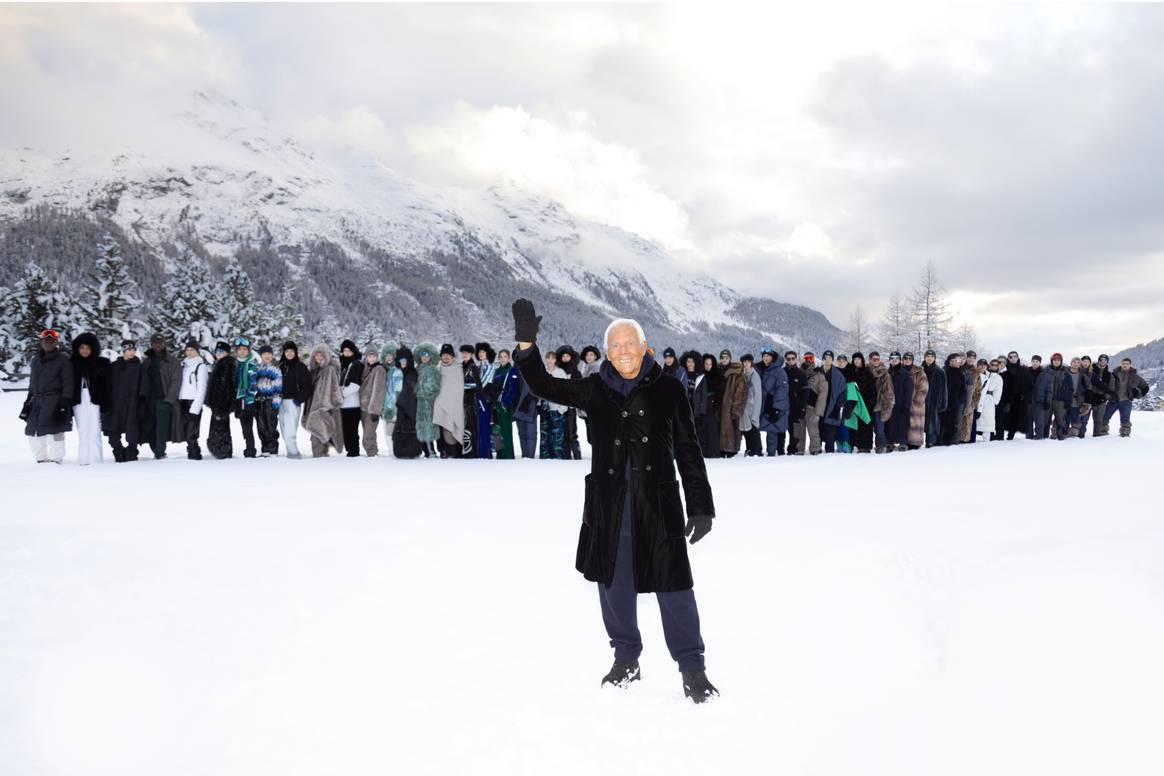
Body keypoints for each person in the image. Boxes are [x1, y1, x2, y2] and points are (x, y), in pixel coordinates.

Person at [511, 299, 719, 703]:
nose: (624, 351)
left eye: (630, 344)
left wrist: (700, 505)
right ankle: (626, 659)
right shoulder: (595, 389)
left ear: (644, 347)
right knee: (614, 586)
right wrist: (526, 343)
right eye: (616, 346)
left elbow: (688, 450)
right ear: (607, 352)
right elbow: (543, 386)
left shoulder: (669, 389)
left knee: (674, 587)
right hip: (610, 504)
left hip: (657, 504)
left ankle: (693, 668)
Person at [22, 329, 75, 463]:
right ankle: (41, 459)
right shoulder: (35, 360)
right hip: (37, 401)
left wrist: (64, 403)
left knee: (55, 431)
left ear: (56, 343)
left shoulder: (63, 361)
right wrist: (28, 400)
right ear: (41, 342)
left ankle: (56, 459)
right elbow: (32, 383)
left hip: (55, 400)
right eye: (46, 341)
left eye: (51, 341)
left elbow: (68, 383)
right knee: (33, 431)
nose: (48, 343)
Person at [68, 332, 111, 466]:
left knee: (95, 430)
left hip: (95, 399)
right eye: (82, 348)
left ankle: (96, 459)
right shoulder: (71, 363)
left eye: (88, 348)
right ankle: (84, 459)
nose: (85, 351)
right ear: (77, 348)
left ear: (93, 348)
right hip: (78, 400)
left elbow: (108, 385)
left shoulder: (102, 363)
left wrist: (106, 402)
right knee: (82, 430)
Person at [141, 333, 183, 459]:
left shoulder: (172, 361)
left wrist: (169, 400)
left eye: (160, 343)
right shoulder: (147, 361)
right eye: (155, 343)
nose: (158, 345)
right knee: (150, 426)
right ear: (151, 344)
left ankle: (159, 452)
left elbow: (176, 381)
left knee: (161, 428)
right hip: (149, 400)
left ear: (164, 344)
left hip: (163, 399)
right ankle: (155, 449)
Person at [104, 339, 145, 462]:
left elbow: (144, 386)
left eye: (133, 349)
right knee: (113, 432)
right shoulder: (115, 366)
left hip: (132, 403)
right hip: (115, 404)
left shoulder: (139, 367)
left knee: (132, 430)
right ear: (123, 351)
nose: (131, 352)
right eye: (129, 350)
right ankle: (118, 451)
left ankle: (132, 452)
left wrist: (141, 402)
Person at [304, 342, 344, 457]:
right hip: (314, 405)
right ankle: (322, 454)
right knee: (319, 431)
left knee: (318, 431)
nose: (319, 357)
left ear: (326, 356)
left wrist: (331, 405)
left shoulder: (330, 369)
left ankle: (320, 457)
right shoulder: (314, 370)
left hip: (325, 407)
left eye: (321, 355)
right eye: (316, 355)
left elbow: (335, 388)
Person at [278, 341, 311, 458]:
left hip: (293, 402)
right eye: (287, 351)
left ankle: (294, 454)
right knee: (283, 430)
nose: (289, 353)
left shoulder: (300, 367)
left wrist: (298, 400)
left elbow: (308, 387)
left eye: (292, 351)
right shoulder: (280, 366)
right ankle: (290, 452)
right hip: (281, 402)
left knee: (290, 431)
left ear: (295, 352)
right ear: (284, 353)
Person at [1103, 357, 1150, 437]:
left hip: (1126, 401)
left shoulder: (1135, 376)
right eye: (1123, 364)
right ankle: (1102, 431)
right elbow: (1105, 385)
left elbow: (1145, 387)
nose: (1125, 365)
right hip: (1113, 400)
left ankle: (1124, 433)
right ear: (1121, 364)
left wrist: (1139, 394)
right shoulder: (1114, 374)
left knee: (1125, 419)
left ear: (1130, 365)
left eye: (1127, 364)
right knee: (1105, 416)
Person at [391, 345, 424, 459]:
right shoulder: (397, 373)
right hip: (401, 407)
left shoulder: (412, 373)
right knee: (400, 429)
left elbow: (413, 390)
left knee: (411, 429)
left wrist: (403, 401)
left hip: (410, 407)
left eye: (404, 360)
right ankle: (400, 451)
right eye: (400, 360)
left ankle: (412, 451)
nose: (403, 363)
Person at [438, 345, 470, 458]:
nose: (446, 357)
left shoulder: (459, 368)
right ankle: (444, 450)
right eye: (444, 355)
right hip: (441, 404)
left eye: (448, 355)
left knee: (456, 427)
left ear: (452, 356)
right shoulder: (438, 369)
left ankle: (457, 451)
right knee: (442, 427)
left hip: (456, 404)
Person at [205, 341, 236, 459]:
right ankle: (218, 450)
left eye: (222, 351)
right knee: (217, 428)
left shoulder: (227, 365)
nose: (219, 353)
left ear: (227, 353)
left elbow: (228, 388)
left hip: (222, 405)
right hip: (217, 405)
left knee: (221, 429)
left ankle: (223, 451)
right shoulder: (219, 364)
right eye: (217, 351)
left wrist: (223, 408)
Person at [178, 339, 208, 460]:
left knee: (192, 432)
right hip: (183, 402)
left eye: (192, 350)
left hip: (193, 403)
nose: (189, 352)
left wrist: (196, 406)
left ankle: (195, 454)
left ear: (197, 351)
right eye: (187, 350)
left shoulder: (201, 367)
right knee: (185, 431)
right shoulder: (184, 366)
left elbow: (202, 388)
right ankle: (190, 453)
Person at [537, 349, 569, 459]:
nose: (550, 360)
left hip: (557, 408)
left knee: (556, 434)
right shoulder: (542, 372)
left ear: (555, 360)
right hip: (544, 408)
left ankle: (557, 456)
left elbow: (566, 391)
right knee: (544, 433)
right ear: (545, 359)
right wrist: (539, 404)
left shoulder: (560, 373)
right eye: (548, 358)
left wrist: (563, 408)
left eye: (552, 358)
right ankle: (545, 456)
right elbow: (537, 390)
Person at [232, 337, 260, 458]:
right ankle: (249, 448)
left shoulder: (252, 365)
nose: (242, 352)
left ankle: (250, 450)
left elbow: (253, 384)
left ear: (248, 350)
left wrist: (246, 395)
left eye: (244, 349)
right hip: (238, 401)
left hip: (249, 401)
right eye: (240, 349)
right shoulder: (235, 365)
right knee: (244, 427)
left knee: (249, 427)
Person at [491, 348, 521, 460]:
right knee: (496, 430)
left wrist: (505, 403)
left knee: (506, 431)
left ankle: (507, 455)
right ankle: (499, 453)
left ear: (508, 358)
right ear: (498, 358)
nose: (503, 359)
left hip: (504, 406)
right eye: (501, 357)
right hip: (495, 405)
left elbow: (513, 390)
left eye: (505, 356)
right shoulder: (496, 371)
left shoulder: (511, 370)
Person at [758, 350, 789, 456]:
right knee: (769, 430)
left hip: (773, 406)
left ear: (773, 358)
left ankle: (771, 456)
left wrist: (777, 408)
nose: (766, 358)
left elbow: (782, 390)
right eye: (764, 356)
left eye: (768, 356)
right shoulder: (764, 369)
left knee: (772, 431)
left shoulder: (779, 372)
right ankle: (769, 453)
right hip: (765, 405)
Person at [254, 345, 282, 456]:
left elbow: (279, 389)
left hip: (270, 401)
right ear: (261, 356)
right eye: (264, 354)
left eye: (269, 354)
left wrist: (275, 405)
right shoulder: (258, 369)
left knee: (270, 425)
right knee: (261, 426)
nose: (267, 356)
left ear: (272, 355)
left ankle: (273, 449)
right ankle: (265, 449)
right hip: (259, 401)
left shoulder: (275, 370)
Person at [718, 350, 747, 458]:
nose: (724, 360)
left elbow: (740, 393)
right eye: (722, 357)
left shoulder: (737, 373)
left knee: (731, 429)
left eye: (726, 358)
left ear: (730, 359)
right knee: (720, 428)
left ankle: (731, 449)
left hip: (730, 406)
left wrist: (736, 409)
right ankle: (721, 448)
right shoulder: (717, 371)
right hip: (719, 406)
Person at [693, 354, 723, 458]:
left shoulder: (718, 376)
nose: (708, 366)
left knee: (712, 430)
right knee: (702, 430)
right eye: (706, 364)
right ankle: (702, 452)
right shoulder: (700, 376)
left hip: (713, 405)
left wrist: (716, 404)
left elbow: (720, 393)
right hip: (702, 405)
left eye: (710, 364)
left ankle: (713, 453)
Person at [415, 343, 442, 457]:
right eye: (423, 355)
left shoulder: (434, 370)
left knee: (430, 426)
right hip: (418, 403)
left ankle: (431, 451)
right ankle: (425, 449)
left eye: (427, 355)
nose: (425, 358)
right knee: (420, 426)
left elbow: (435, 386)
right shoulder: (416, 369)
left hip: (429, 402)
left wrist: (422, 390)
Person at [817, 350, 847, 453]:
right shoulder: (817, 373)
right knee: (818, 430)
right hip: (819, 406)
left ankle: (829, 452)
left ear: (832, 360)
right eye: (825, 358)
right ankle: (817, 450)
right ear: (822, 359)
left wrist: (838, 406)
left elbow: (843, 392)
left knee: (830, 432)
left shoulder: (838, 375)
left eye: (830, 358)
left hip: (832, 406)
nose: (827, 360)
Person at [556, 345, 583, 459]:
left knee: (572, 432)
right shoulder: (558, 371)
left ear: (572, 357)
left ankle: (577, 456)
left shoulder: (576, 372)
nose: (565, 358)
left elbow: (580, 389)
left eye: (567, 356)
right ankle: (566, 456)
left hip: (571, 405)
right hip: (560, 405)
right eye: (563, 356)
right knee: (563, 432)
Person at [359, 346, 387, 456]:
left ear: (377, 357)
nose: (371, 358)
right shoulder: (365, 368)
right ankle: (370, 452)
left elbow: (379, 391)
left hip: (372, 408)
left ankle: (372, 454)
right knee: (366, 432)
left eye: (374, 356)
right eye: (369, 356)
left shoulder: (379, 369)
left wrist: (375, 410)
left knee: (369, 433)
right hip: (363, 407)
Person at [338, 340, 364, 457]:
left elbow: (355, 385)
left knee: (352, 430)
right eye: (344, 351)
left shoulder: (356, 364)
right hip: (343, 405)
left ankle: (354, 452)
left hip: (353, 404)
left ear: (353, 351)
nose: (346, 353)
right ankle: (350, 451)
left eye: (349, 350)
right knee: (345, 430)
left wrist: (340, 394)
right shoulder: (343, 365)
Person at [511, 355, 540, 459]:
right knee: (522, 433)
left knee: (530, 433)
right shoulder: (514, 370)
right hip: (517, 406)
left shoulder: (534, 369)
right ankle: (525, 456)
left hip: (530, 405)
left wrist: (530, 399)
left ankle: (530, 457)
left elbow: (539, 387)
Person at [867, 352, 895, 453]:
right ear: (870, 360)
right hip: (868, 404)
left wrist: (888, 405)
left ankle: (881, 446)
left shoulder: (884, 373)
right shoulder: (866, 371)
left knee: (879, 428)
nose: (876, 361)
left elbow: (889, 391)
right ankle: (866, 446)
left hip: (880, 405)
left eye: (877, 359)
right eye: (874, 359)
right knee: (868, 428)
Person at [379, 341, 403, 453]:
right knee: (385, 430)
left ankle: (395, 451)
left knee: (390, 431)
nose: (389, 358)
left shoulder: (398, 371)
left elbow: (398, 390)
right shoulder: (383, 370)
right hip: (384, 405)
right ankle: (391, 450)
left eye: (391, 355)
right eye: (387, 355)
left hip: (393, 406)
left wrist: (393, 406)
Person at [1002, 351, 1032, 439]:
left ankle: (1011, 435)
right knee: (1003, 416)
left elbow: (1029, 384)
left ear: (1018, 358)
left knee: (1015, 416)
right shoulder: (1004, 368)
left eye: (1015, 356)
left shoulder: (1024, 369)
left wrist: (1025, 394)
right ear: (1008, 358)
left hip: (1018, 397)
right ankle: (999, 434)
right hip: (1005, 396)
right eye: (1010, 357)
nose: (1013, 358)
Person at [783, 350, 808, 455]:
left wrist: (803, 408)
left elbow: (805, 393)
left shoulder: (801, 374)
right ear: (785, 360)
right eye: (788, 359)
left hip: (795, 407)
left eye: (793, 358)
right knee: (782, 429)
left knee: (794, 430)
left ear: (796, 359)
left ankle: (792, 449)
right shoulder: (782, 372)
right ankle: (780, 449)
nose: (791, 360)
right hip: (783, 406)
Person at [901, 353, 929, 449]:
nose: (907, 360)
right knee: (903, 423)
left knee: (915, 423)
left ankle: (915, 443)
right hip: (902, 403)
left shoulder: (919, 372)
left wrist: (916, 401)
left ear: (912, 360)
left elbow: (923, 389)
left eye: (909, 358)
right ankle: (903, 441)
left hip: (916, 404)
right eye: (905, 358)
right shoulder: (900, 371)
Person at [475, 342, 497, 459]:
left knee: (485, 426)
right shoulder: (479, 367)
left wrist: (469, 386)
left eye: (483, 352)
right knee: (479, 426)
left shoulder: (490, 367)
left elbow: (482, 383)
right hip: (478, 398)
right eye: (479, 352)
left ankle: (486, 453)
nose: (481, 354)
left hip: (485, 398)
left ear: (488, 353)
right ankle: (481, 452)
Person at [459, 344, 482, 457]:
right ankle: (465, 451)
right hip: (461, 401)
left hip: (471, 401)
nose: (464, 355)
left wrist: (462, 386)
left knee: (471, 426)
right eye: (463, 353)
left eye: (467, 353)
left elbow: (478, 386)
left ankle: (472, 452)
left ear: (471, 354)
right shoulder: (460, 366)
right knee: (463, 426)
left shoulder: (473, 367)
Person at [738, 354, 763, 456]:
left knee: (754, 430)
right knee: (746, 430)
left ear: (751, 363)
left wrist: (756, 413)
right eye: (744, 362)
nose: (746, 364)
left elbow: (758, 395)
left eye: (748, 362)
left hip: (753, 407)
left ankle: (757, 450)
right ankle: (749, 449)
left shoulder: (755, 375)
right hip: (745, 408)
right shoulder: (743, 374)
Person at [921, 350, 947, 448]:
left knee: (932, 422)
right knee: (919, 422)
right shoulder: (920, 370)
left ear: (934, 358)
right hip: (921, 400)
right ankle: (917, 441)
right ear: (924, 357)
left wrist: (943, 403)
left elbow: (944, 389)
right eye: (927, 356)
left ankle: (930, 442)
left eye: (932, 356)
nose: (929, 358)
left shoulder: (940, 371)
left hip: (934, 400)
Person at [803, 355, 828, 455]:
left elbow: (823, 395)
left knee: (813, 430)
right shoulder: (800, 373)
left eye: (810, 358)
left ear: (814, 360)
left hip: (811, 408)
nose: (808, 361)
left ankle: (815, 448)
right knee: (798, 431)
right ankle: (799, 449)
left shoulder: (819, 375)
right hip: (800, 407)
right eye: (806, 358)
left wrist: (818, 412)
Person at [1088, 354, 1116, 437]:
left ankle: (1097, 434)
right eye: (1101, 360)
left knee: (1099, 418)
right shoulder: (1091, 371)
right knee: (1084, 417)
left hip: (1101, 399)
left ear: (1107, 362)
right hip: (1089, 397)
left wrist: (1105, 398)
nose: (1103, 361)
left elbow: (1111, 388)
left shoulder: (1109, 375)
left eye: (1105, 360)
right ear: (1098, 360)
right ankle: (1080, 434)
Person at [1047, 353, 1073, 440]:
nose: (1056, 362)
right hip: (1049, 400)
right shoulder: (1046, 372)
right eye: (1054, 360)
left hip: (1060, 401)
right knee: (1046, 419)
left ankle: (1060, 436)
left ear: (1061, 361)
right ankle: (1044, 436)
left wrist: (1068, 401)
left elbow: (1070, 389)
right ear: (1052, 361)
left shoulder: (1066, 374)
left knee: (1060, 420)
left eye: (1058, 360)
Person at [978, 359, 1004, 440]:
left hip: (989, 400)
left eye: (996, 365)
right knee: (977, 418)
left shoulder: (999, 378)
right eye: (992, 364)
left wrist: (994, 401)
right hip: (980, 397)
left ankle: (986, 439)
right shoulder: (984, 373)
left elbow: (998, 391)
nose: (994, 366)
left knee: (988, 420)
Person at [1028, 355, 1052, 440]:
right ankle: (1029, 437)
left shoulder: (1046, 375)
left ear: (1040, 363)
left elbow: (1049, 390)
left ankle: (1039, 437)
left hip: (1039, 401)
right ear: (1031, 362)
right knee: (1028, 421)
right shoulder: (1026, 373)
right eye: (1033, 361)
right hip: (1028, 400)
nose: (1035, 363)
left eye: (1037, 361)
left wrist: (1047, 401)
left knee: (1039, 421)